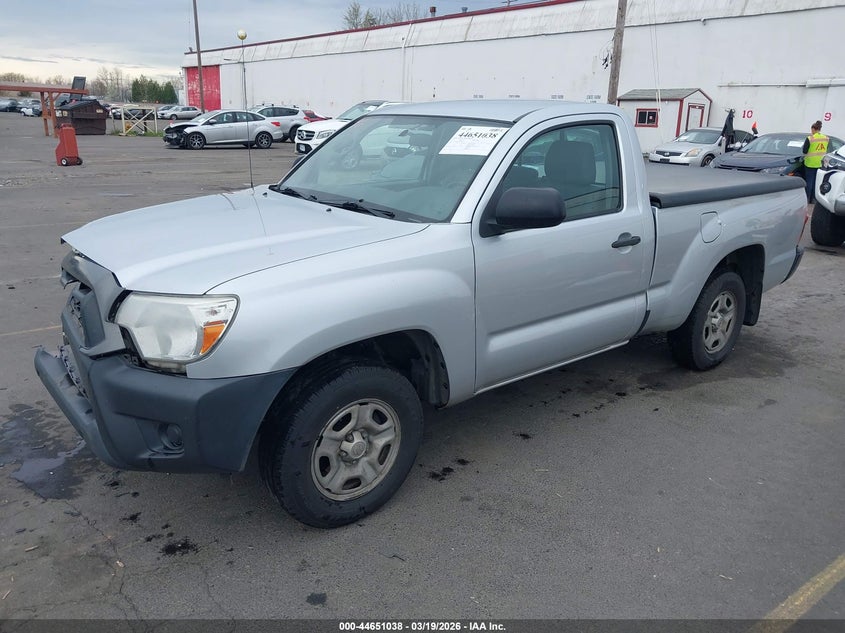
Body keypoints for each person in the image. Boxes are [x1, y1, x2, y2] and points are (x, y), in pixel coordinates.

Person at [802, 120, 829, 203]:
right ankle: (814, 199)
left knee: (809, 182)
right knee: (817, 182)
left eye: (811, 130)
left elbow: (805, 151)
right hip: (821, 164)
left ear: (814, 129)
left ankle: (807, 199)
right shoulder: (826, 138)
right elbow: (826, 149)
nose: (811, 132)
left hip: (810, 163)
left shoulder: (810, 138)